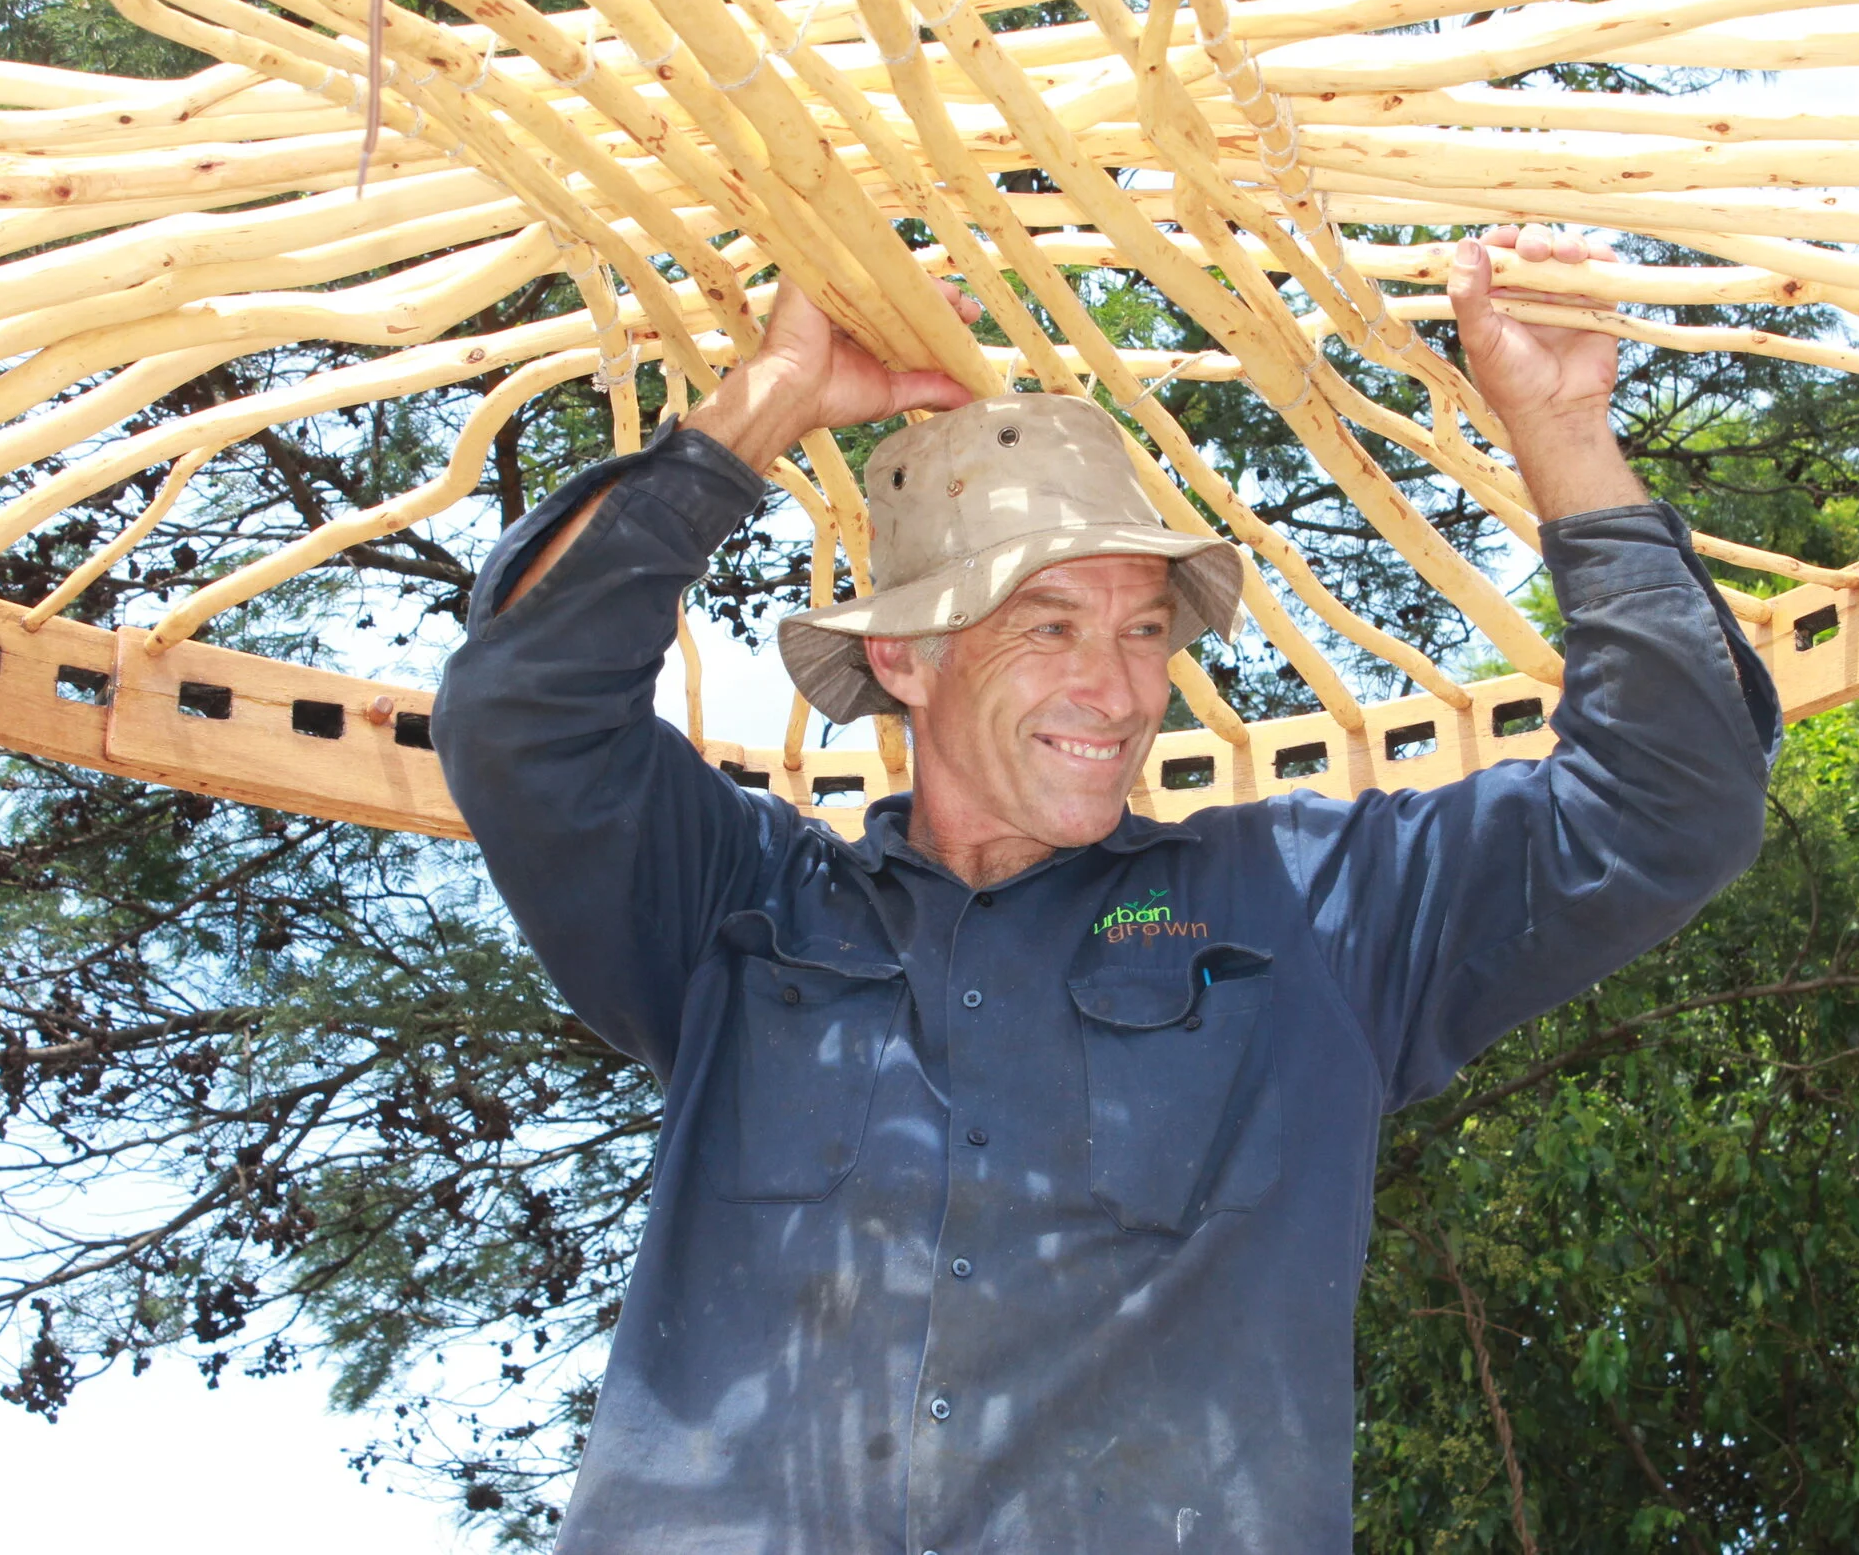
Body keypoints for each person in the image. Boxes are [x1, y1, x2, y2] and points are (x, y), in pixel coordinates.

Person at [435, 225, 1781, 1553]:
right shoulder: (738, 914)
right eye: (1051, 624)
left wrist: (1561, 432)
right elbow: (516, 714)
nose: (1123, 686)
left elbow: (1668, 806)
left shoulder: (1301, 914)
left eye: (1147, 628)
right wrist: (770, 397)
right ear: (903, 659)